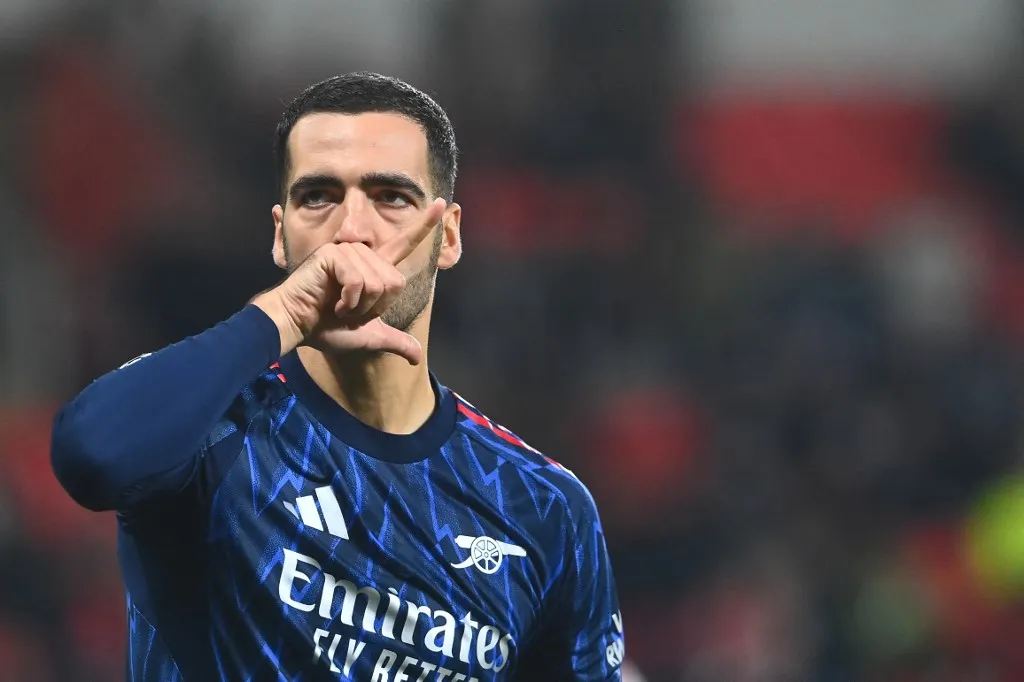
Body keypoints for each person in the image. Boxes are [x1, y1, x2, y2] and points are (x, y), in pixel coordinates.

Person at [51, 72, 625, 681]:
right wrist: (285, 312)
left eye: (391, 197)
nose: (352, 229)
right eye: (318, 197)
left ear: (449, 234)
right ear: (281, 235)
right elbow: (91, 455)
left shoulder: (541, 506)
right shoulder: (208, 430)